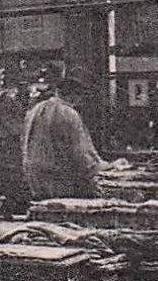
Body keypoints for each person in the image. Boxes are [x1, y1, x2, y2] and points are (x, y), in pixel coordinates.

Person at [22, 71, 103, 201]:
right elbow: (82, 155)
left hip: (34, 176)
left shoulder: (34, 110)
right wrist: (104, 167)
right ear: (74, 96)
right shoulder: (69, 114)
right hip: (59, 179)